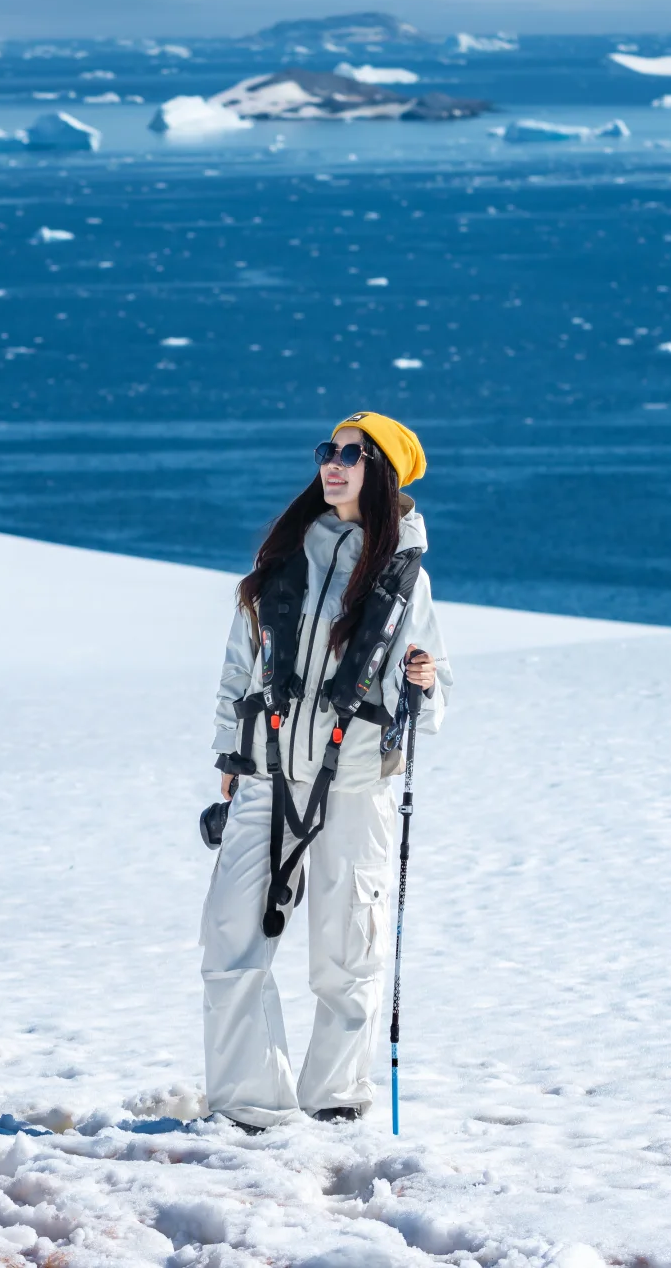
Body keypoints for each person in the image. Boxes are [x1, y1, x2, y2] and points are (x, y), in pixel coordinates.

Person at [201, 411, 452, 1131]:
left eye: (351, 454)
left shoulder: (406, 578)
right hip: (266, 774)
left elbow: (433, 708)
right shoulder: (284, 557)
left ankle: (334, 1101)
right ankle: (250, 1108)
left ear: (383, 475)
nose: (332, 464)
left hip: (356, 781)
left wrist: (425, 682)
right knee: (229, 940)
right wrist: (228, 755)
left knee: (347, 952)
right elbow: (237, 668)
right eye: (328, 450)